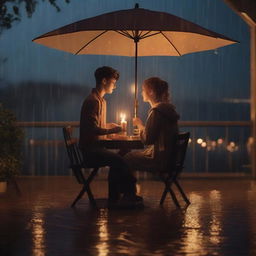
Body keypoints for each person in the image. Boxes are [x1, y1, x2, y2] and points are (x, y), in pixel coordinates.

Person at [79, 66, 142, 206]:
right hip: (90, 151)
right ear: (104, 81)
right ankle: (126, 195)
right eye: (113, 82)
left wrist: (108, 126)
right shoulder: (92, 101)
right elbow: (91, 128)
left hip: (97, 147)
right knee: (119, 161)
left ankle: (117, 196)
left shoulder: (101, 101)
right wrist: (112, 131)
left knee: (122, 156)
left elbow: (96, 125)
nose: (115, 86)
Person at [125, 77, 180, 173]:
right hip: (170, 159)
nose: (142, 93)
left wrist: (139, 125)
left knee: (126, 158)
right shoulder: (167, 110)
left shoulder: (157, 112)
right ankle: (128, 187)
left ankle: (123, 188)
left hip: (160, 160)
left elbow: (148, 140)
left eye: (143, 90)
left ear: (151, 92)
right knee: (127, 157)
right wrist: (143, 128)